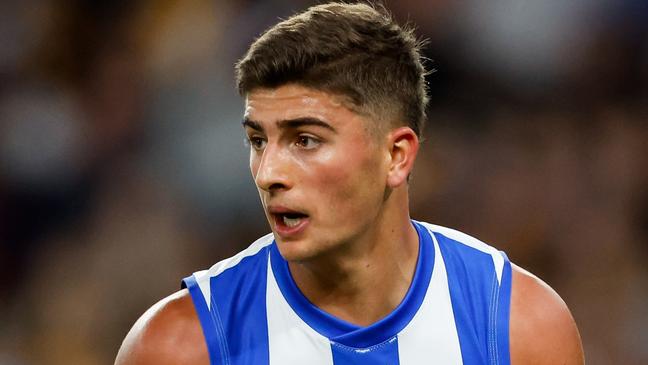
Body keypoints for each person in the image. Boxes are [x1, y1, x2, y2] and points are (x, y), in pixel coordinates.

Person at [115, 2, 584, 364]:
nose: (268, 173)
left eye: (305, 139)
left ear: (396, 156)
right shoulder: (181, 343)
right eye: (258, 140)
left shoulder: (517, 326)